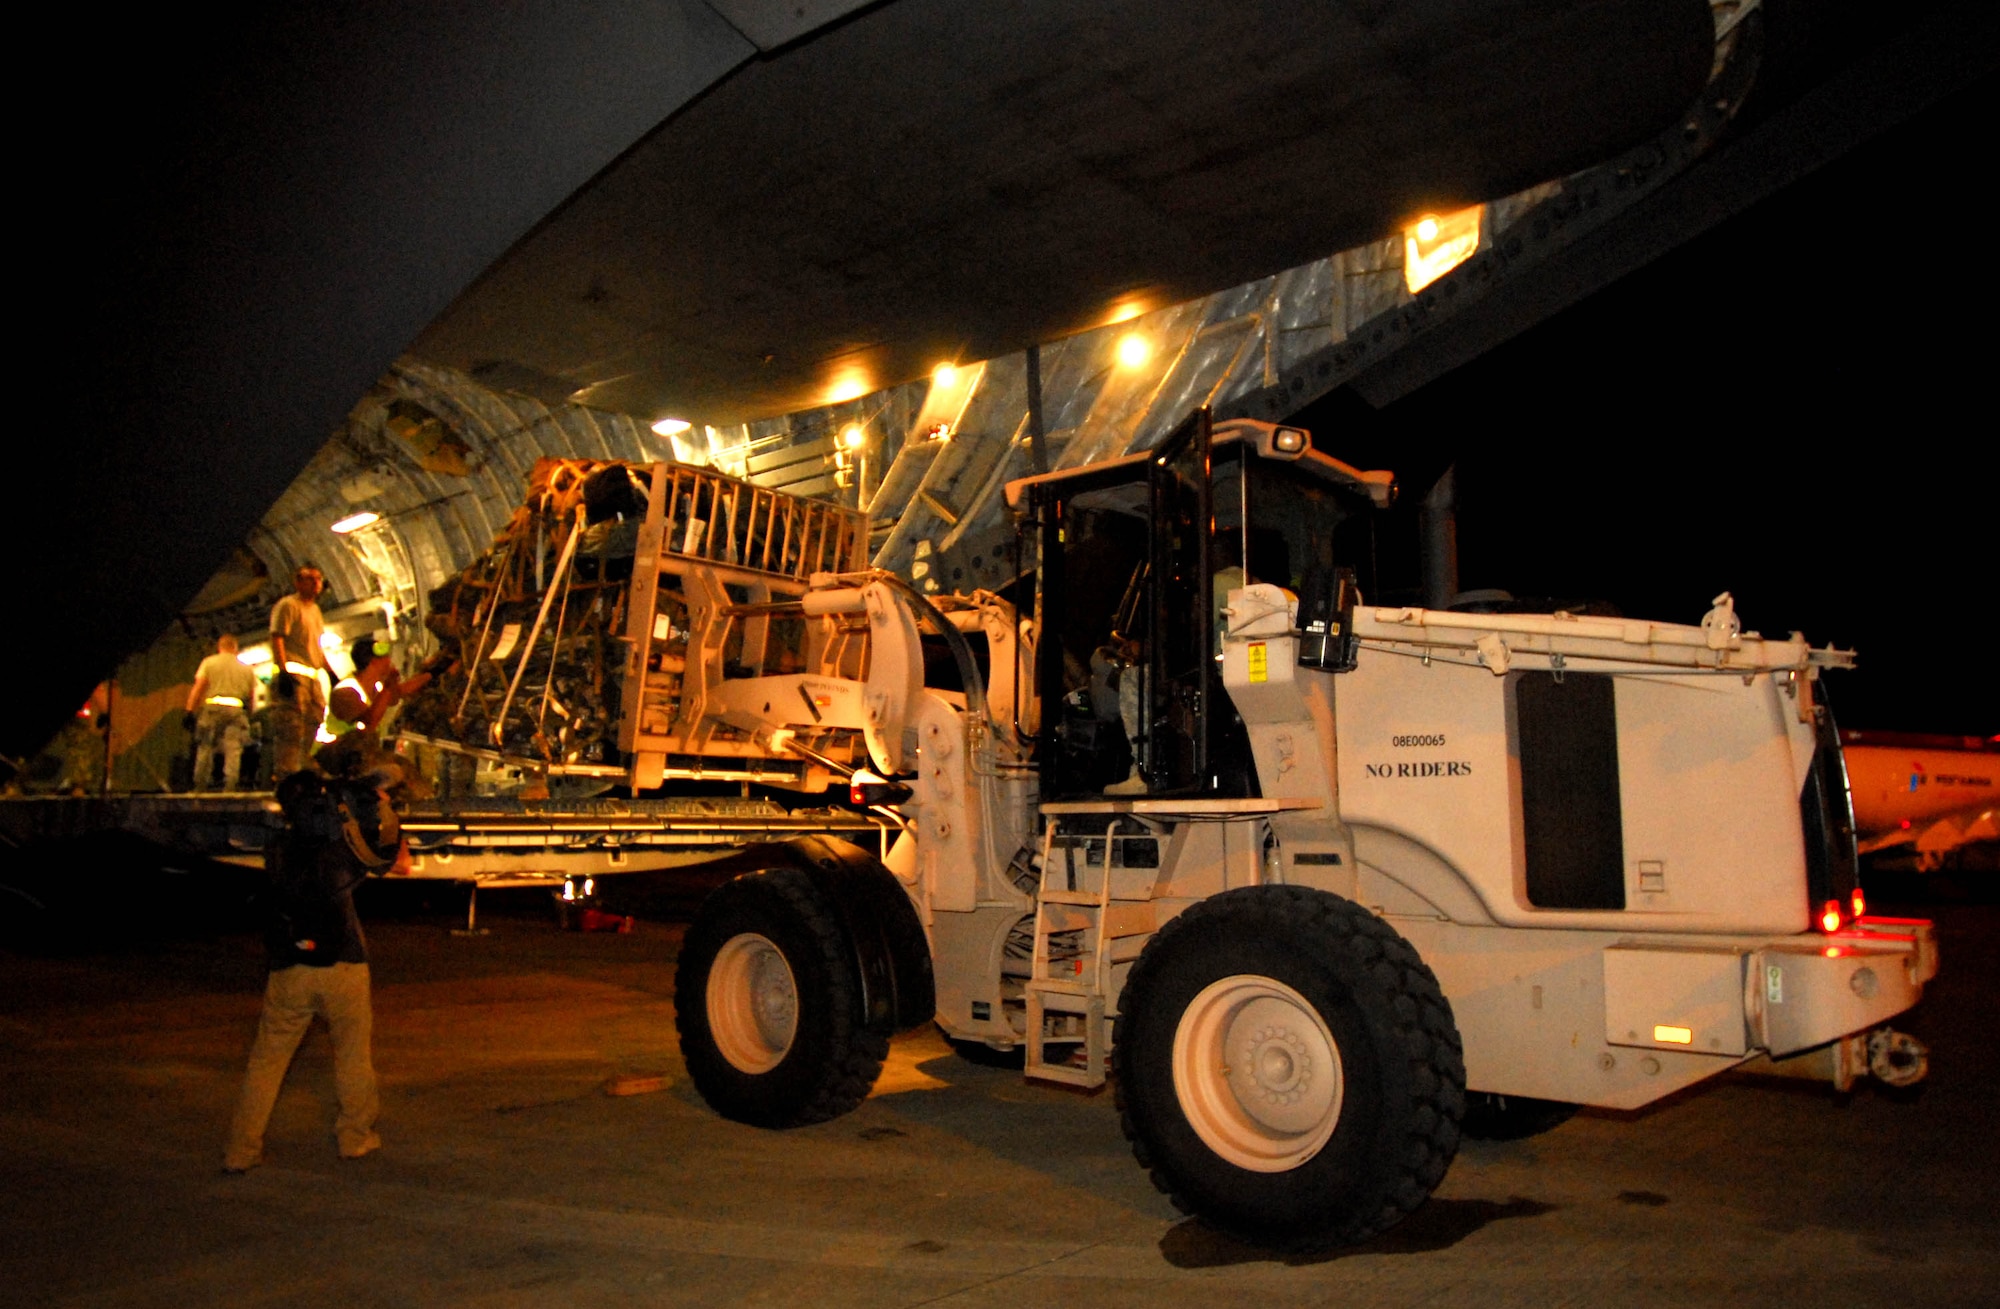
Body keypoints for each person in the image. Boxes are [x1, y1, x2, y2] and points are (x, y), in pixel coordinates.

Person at [221, 758, 404, 1173]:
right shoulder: (341, 846)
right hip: (344, 962)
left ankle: (241, 1150)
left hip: (290, 964)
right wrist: (377, 807)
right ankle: (355, 1137)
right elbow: (385, 856)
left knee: (266, 1062)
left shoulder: (280, 850)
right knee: (353, 1056)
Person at [268, 565, 329, 779]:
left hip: (312, 678)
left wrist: (330, 673)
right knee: (290, 729)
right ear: (298, 582)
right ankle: (286, 777)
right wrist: (283, 670)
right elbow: (278, 637)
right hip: (294, 676)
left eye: (318, 579)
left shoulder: (315, 611)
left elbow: (317, 646)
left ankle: (305, 773)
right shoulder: (288, 606)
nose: (315, 583)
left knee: (314, 723)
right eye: (309, 578)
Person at [185, 634, 257, 790]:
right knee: (233, 749)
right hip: (236, 711)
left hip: (212, 710)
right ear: (235, 648)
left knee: (206, 747)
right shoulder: (247, 669)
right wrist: (250, 715)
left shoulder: (209, 663)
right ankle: (230, 785)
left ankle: (200, 786)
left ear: (219, 647)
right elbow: (252, 698)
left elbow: (199, 688)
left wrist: (189, 710)